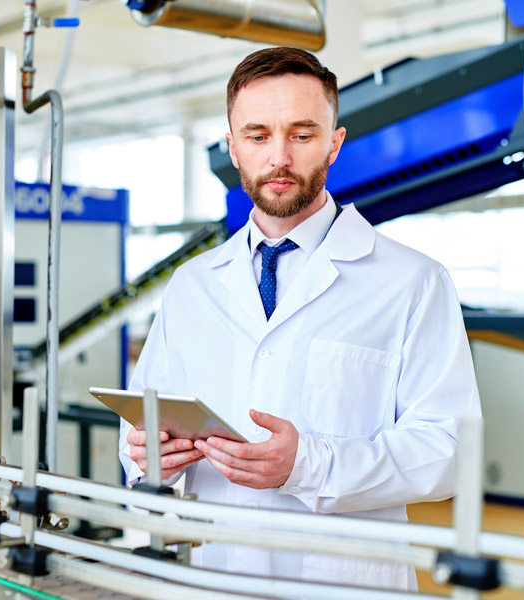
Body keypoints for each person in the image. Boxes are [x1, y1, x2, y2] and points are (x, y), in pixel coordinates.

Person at [119, 46, 481, 592]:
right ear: (233, 148)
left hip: (341, 581)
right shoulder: (192, 286)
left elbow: (447, 453)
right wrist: (149, 454)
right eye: (258, 136)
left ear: (335, 143)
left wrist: (309, 465)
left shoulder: (413, 282)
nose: (279, 157)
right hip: (210, 575)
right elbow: (144, 423)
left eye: (302, 134)